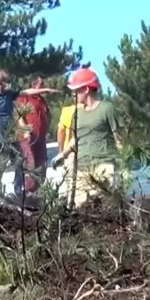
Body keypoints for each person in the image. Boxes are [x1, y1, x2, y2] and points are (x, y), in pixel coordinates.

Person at [51, 68, 123, 207]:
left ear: (86, 89)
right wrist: (63, 155)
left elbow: (119, 138)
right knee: (81, 208)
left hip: (105, 165)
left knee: (106, 207)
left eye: (77, 90)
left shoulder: (107, 109)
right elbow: (75, 140)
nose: (74, 94)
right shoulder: (77, 115)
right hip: (82, 169)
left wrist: (123, 161)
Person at [0, 69, 59, 196]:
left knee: (20, 161)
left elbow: (26, 91)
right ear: (0, 82)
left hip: (10, 136)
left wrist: (45, 90)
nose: (10, 84)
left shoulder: (8, 94)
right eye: (8, 82)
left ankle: (18, 191)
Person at [15, 75, 52, 193]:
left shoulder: (41, 100)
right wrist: (25, 130)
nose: (42, 87)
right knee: (30, 164)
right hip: (27, 138)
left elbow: (48, 115)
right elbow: (19, 116)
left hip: (40, 138)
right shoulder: (24, 98)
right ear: (33, 85)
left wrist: (46, 129)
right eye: (41, 84)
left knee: (42, 164)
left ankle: (37, 192)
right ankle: (25, 191)